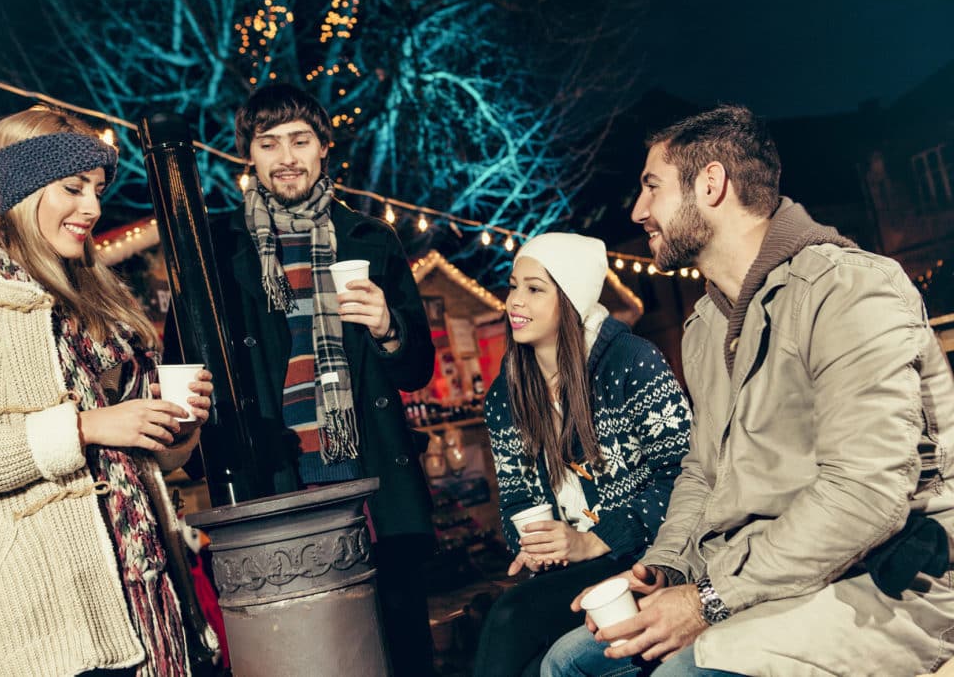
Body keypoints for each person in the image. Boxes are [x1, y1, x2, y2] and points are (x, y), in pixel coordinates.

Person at [542, 105, 954, 677]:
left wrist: (709, 599)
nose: (638, 211)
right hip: (768, 574)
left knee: (681, 673)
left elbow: (864, 494)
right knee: (571, 662)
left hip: (890, 578)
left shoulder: (850, 289)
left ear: (711, 184)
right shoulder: (706, 325)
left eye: (651, 187)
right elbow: (703, 472)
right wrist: (668, 569)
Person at [0, 106, 218, 676]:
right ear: (24, 187)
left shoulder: (94, 296)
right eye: (73, 187)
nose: (92, 207)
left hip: (145, 601)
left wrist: (176, 430)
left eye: (97, 189)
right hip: (44, 628)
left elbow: (136, 460)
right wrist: (83, 426)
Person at [169, 83, 437, 675]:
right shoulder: (216, 248)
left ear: (323, 149)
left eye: (300, 140)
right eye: (269, 143)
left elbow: (417, 370)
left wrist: (389, 325)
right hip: (276, 481)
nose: (286, 156)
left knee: (395, 647)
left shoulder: (372, 239)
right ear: (250, 156)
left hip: (368, 480)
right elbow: (181, 357)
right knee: (305, 652)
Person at [473, 232, 692, 676]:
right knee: (530, 661)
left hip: (644, 558)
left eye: (534, 289)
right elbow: (515, 500)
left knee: (510, 618)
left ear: (570, 299)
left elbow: (687, 476)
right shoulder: (507, 394)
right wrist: (534, 545)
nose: (514, 301)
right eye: (513, 285)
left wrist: (593, 539)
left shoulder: (632, 362)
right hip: (566, 574)